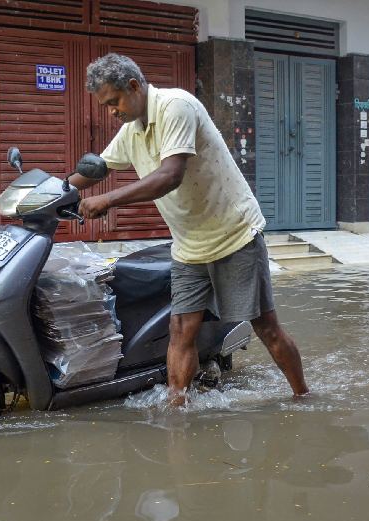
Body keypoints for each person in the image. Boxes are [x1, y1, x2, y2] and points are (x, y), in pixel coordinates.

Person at [70, 53, 309, 406]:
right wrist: (57, 190)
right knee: (181, 331)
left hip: (234, 234)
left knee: (266, 327)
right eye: (106, 105)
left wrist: (106, 202)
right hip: (189, 245)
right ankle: (177, 411)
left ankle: (303, 396)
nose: (111, 112)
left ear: (134, 87)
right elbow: (97, 169)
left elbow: (170, 175)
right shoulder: (131, 131)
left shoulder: (176, 107)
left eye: (114, 102)